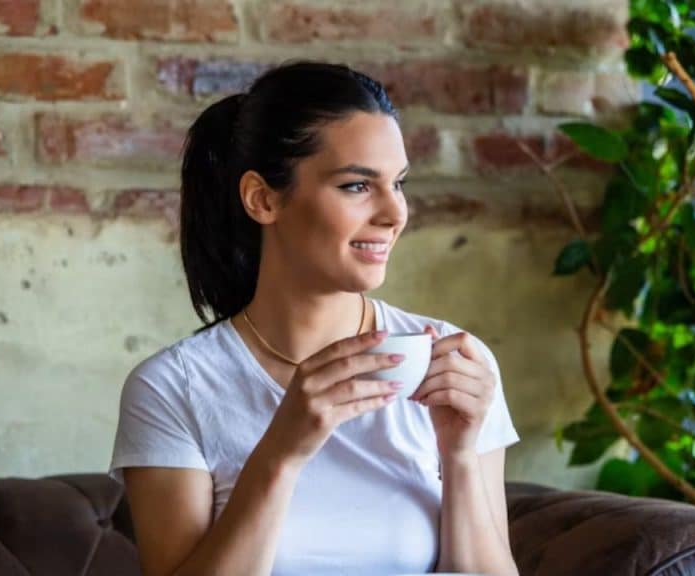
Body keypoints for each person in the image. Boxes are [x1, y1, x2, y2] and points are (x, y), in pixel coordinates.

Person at [108, 61, 521, 576]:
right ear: (263, 199)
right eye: (357, 186)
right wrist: (280, 453)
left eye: (400, 183)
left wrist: (459, 456)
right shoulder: (174, 388)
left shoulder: (456, 364)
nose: (395, 214)